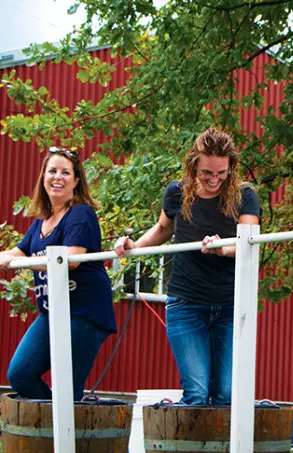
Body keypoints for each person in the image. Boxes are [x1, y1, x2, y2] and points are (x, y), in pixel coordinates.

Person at [114, 128, 260, 405]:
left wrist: (222, 248)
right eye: (207, 173)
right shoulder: (176, 192)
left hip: (230, 303)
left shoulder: (245, 195)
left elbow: (249, 242)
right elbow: (161, 229)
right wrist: (134, 248)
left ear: (231, 167)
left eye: (221, 173)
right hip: (186, 302)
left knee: (227, 394)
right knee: (197, 393)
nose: (215, 179)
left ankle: (226, 448)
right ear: (193, 164)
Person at [0, 147, 116, 401]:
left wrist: (20, 263)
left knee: (67, 386)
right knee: (20, 374)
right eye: (52, 171)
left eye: (66, 172)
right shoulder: (41, 222)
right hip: (53, 312)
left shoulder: (80, 214)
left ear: (76, 181)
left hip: (84, 312)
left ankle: (68, 433)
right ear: (44, 177)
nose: (58, 177)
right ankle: (51, 426)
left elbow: (68, 259)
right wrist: (6, 259)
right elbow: (18, 253)